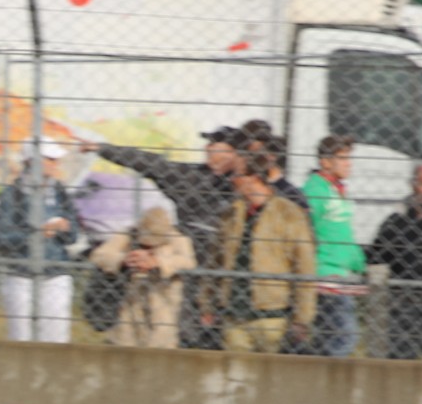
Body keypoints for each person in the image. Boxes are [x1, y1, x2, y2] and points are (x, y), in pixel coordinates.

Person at [80, 126, 240, 347]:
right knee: (182, 327)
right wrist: (103, 149)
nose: (209, 152)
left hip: (229, 269)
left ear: (236, 154)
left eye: (217, 148)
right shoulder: (193, 179)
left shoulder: (248, 184)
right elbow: (153, 164)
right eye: (208, 147)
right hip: (188, 264)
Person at [201, 139, 317, 354]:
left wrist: (302, 318)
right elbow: (214, 262)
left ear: (253, 178)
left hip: (272, 317)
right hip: (233, 316)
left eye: (236, 175)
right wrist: (207, 303)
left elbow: (304, 267)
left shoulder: (288, 214)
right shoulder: (229, 215)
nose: (232, 181)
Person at [0, 142, 80, 343]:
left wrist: (65, 227)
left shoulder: (60, 192)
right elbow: (2, 238)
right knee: (20, 338)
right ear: (32, 162)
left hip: (56, 272)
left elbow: (74, 235)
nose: (55, 163)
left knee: (56, 339)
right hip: (21, 273)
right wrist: (37, 234)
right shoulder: (13, 194)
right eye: (49, 159)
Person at [368, 163, 422, 361]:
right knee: (401, 354)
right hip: (405, 300)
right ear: (413, 186)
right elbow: (376, 255)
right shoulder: (397, 220)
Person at [88, 206, 195, 349]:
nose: (148, 247)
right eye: (144, 244)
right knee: (124, 344)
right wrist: (124, 260)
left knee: (160, 348)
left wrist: (158, 262)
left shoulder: (178, 239)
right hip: (128, 306)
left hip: (163, 305)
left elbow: (189, 262)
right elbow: (99, 255)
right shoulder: (129, 234)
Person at [302, 135, 367, 357]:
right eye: (343, 158)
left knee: (329, 337)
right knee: (345, 336)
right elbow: (307, 228)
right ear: (326, 162)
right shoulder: (316, 190)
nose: (349, 163)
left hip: (342, 271)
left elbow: (344, 231)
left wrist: (358, 262)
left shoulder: (337, 189)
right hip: (326, 272)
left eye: (349, 158)